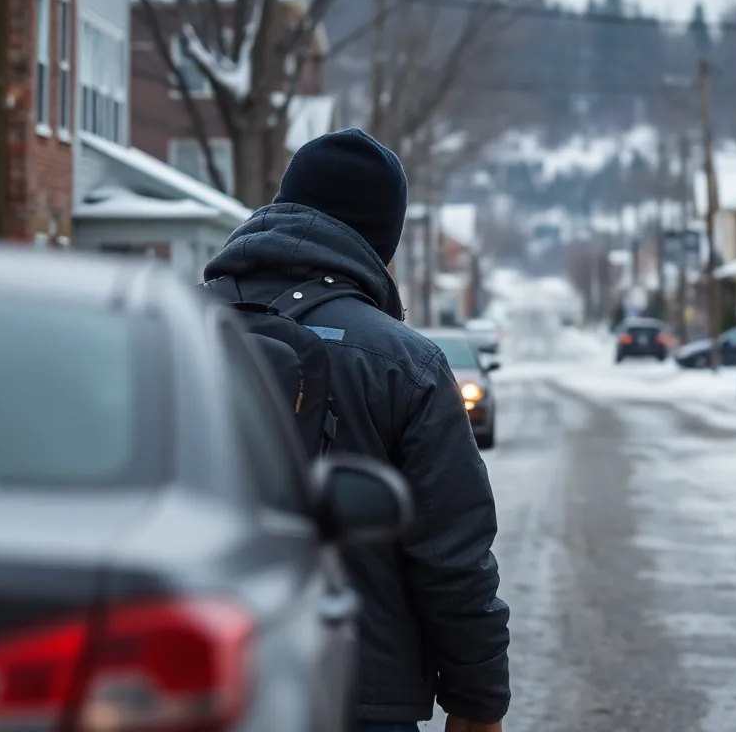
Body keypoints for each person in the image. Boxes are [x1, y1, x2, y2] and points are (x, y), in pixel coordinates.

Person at [204, 129, 510, 732]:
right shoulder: (405, 364)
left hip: (188, 684)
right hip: (358, 696)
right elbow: (452, 555)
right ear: (381, 244)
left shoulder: (169, 332)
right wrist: (478, 701)